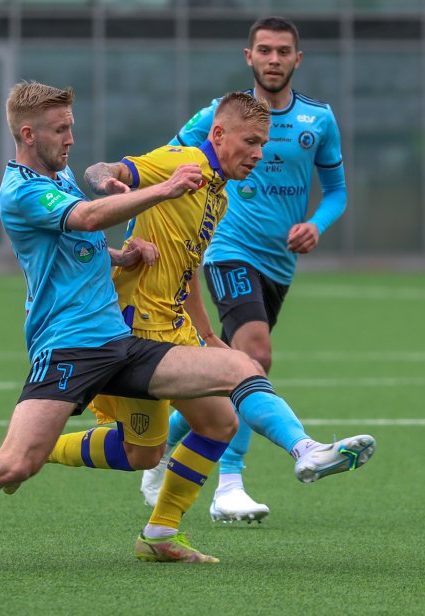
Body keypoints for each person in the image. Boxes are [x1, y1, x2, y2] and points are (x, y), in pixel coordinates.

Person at [0, 82, 372, 571]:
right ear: (28, 134)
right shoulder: (20, 189)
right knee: (15, 465)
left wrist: (122, 256)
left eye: (71, 126)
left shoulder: (58, 177)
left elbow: (80, 244)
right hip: (68, 346)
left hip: (122, 341)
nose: (71, 138)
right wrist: (163, 190)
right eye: (61, 129)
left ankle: (303, 452)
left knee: (234, 373)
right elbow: (88, 218)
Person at [45, 92, 373, 531]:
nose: (259, 154)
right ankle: (304, 449)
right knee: (164, 433)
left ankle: (160, 533)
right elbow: (102, 169)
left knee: (217, 423)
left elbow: (188, 271)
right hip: (133, 330)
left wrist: (208, 335)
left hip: (172, 326)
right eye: (251, 142)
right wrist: (107, 182)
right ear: (218, 134)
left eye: (263, 144)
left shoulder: (218, 196)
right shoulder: (181, 162)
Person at [137, 16, 349, 523]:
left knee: (236, 369)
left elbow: (337, 193)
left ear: (298, 59)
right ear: (248, 56)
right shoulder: (218, 115)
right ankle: (229, 483)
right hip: (226, 247)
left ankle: (162, 444)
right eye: (265, 50)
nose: (274, 59)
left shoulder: (318, 120)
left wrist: (316, 224)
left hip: (279, 263)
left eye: (283, 51)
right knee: (254, 355)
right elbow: (168, 158)